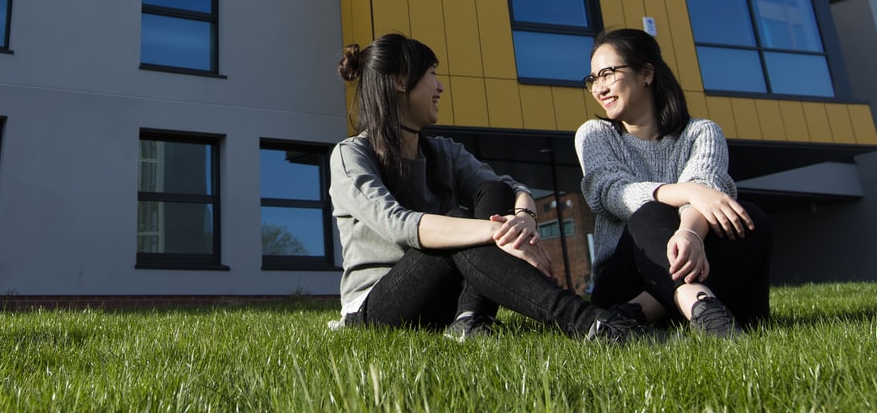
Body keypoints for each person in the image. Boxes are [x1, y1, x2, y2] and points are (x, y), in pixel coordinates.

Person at [329, 33, 657, 343]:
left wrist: (525, 217)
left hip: (441, 297)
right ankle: (589, 322)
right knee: (458, 228)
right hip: (376, 308)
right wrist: (497, 233)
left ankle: (471, 318)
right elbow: (399, 224)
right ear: (400, 81)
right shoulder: (351, 155)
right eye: (432, 73)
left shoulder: (443, 150)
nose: (440, 86)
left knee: (493, 191)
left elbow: (509, 187)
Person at [575, 28, 774, 337]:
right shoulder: (595, 135)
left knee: (751, 220)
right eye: (593, 80)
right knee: (651, 212)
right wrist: (688, 192)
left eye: (608, 74)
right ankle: (700, 303)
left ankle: (636, 314)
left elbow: (711, 189)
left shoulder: (702, 132)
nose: (599, 88)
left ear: (646, 74)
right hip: (626, 278)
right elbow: (612, 193)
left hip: (700, 263)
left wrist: (690, 233)